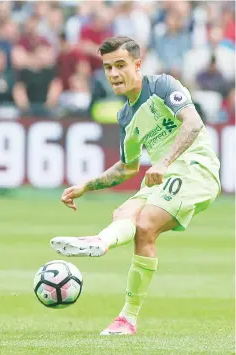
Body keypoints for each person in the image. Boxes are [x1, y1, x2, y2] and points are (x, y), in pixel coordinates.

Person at [50, 36, 221, 335]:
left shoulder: (162, 86)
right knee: (124, 214)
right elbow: (127, 167)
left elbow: (193, 124)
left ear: (137, 65)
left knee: (145, 223)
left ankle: (127, 311)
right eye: (107, 68)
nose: (114, 74)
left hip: (196, 169)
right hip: (163, 176)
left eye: (120, 65)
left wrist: (164, 162)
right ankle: (103, 248)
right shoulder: (126, 116)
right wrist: (86, 187)